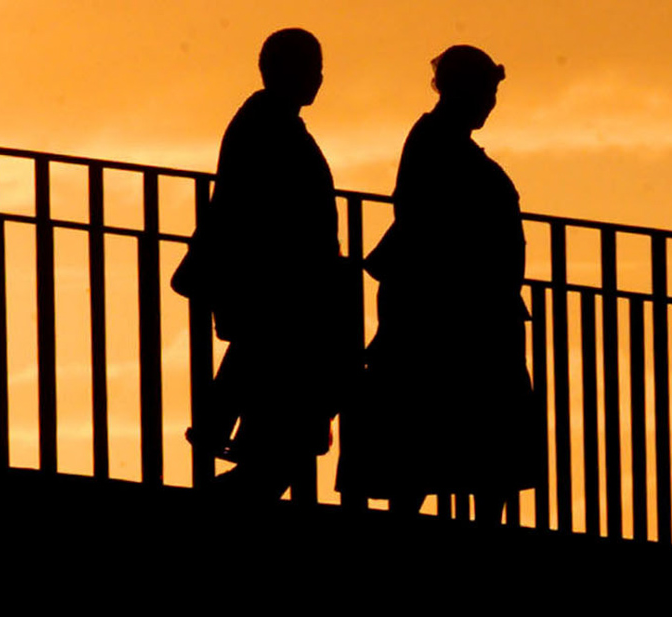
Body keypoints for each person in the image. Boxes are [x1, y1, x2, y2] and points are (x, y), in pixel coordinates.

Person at [335, 44, 537, 522]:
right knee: (444, 426)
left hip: (466, 312)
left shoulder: (438, 142)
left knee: (453, 431)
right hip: (455, 315)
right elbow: (434, 227)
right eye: (487, 91)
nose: (491, 103)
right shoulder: (437, 144)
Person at [175, 28, 356, 500]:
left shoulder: (269, 123)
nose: (318, 77)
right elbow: (265, 221)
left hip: (288, 310)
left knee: (280, 454)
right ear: (283, 70)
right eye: (310, 67)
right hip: (285, 308)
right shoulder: (267, 126)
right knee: (280, 453)